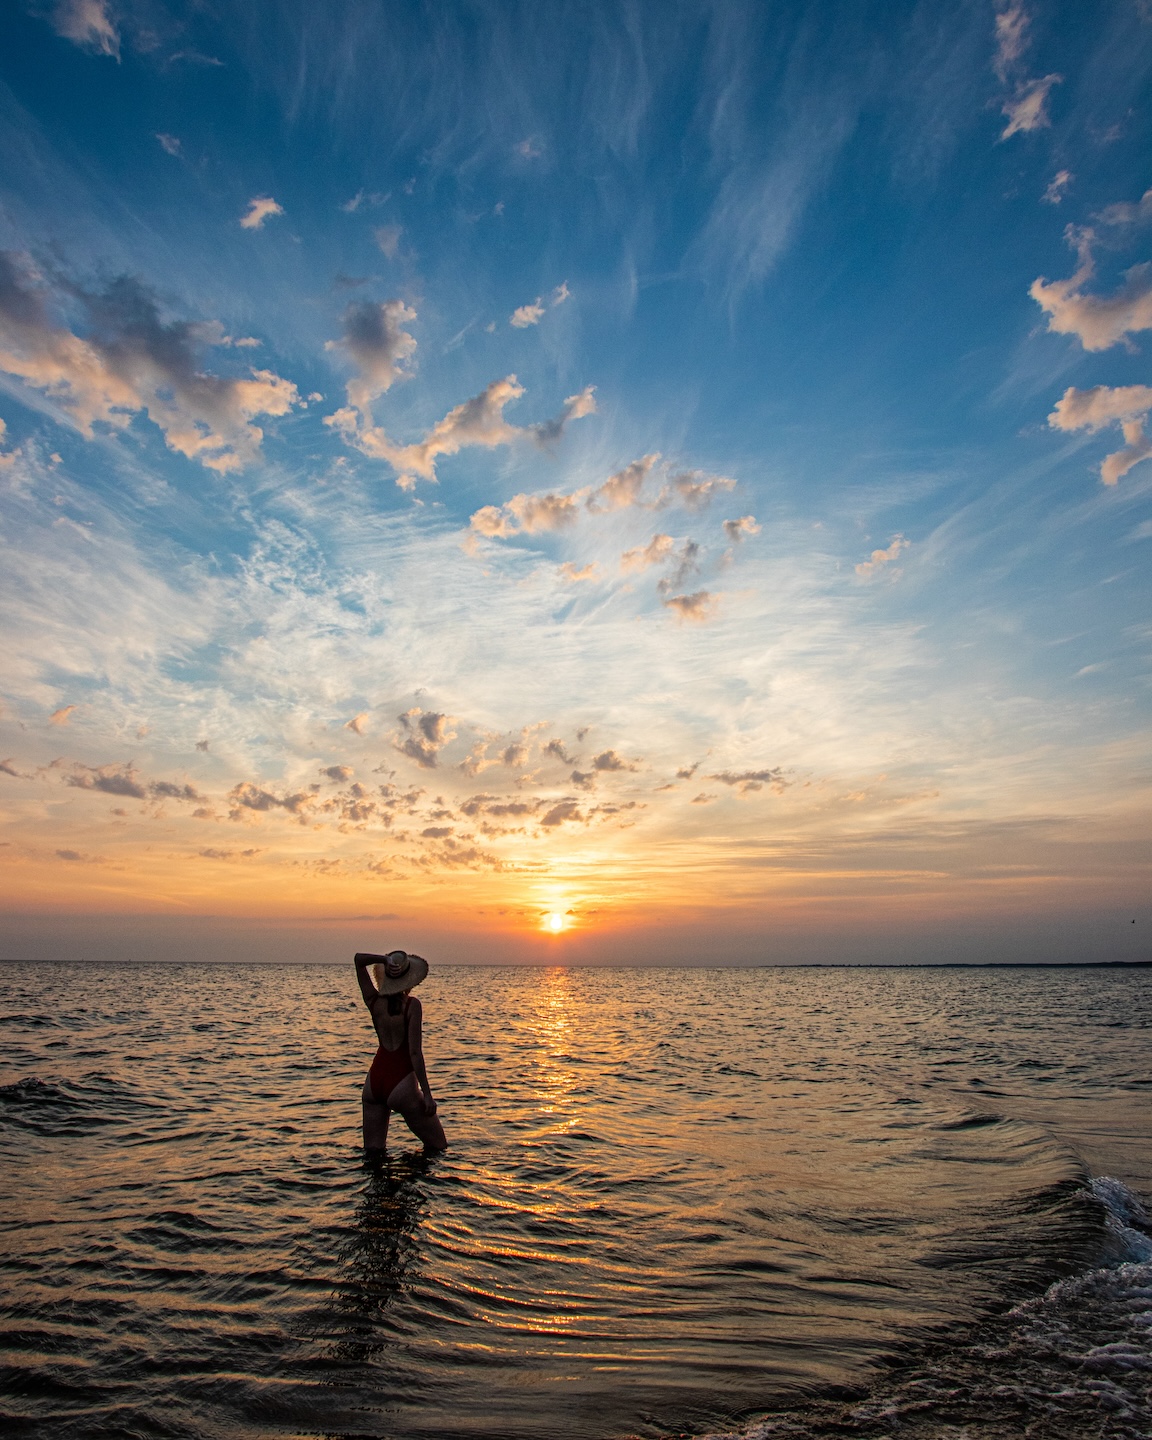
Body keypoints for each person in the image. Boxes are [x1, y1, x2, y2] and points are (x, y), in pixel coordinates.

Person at [355, 949, 447, 1153]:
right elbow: (415, 1053)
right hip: (402, 1083)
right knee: (438, 1146)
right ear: (409, 980)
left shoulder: (373, 1001)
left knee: (374, 1155)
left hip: (374, 1082)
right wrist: (428, 1095)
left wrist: (383, 959)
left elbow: (358, 960)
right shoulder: (412, 1006)